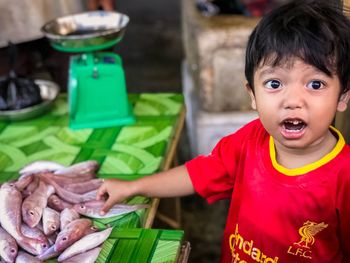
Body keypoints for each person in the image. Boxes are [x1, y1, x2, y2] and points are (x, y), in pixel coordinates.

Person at [96, 0, 350, 262]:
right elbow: (198, 174)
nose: (293, 100)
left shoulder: (345, 176)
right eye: (275, 83)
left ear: (342, 97)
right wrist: (134, 186)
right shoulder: (250, 140)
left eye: (316, 84)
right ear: (252, 94)